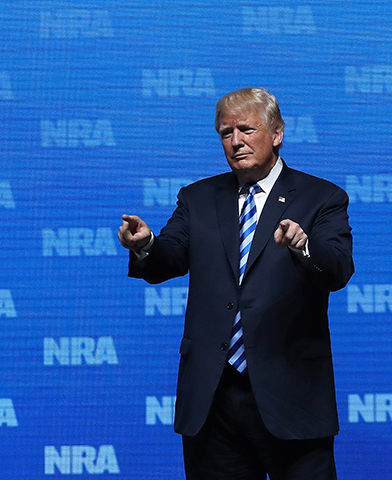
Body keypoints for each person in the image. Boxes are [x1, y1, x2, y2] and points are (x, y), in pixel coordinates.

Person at [118, 87, 354, 480]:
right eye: (226, 133)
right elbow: (169, 259)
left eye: (247, 129)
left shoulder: (321, 197)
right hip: (213, 400)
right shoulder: (197, 197)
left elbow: (338, 270)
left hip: (290, 395)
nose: (236, 141)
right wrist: (146, 245)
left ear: (277, 134)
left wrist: (303, 246)